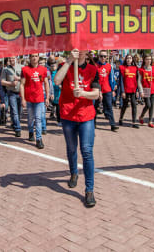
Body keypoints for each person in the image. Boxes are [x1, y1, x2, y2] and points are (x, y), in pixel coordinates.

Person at [54, 49, 100, 207]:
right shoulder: (64, 65)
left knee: (86, 151)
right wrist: (68, 62)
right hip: (68, 115)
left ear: (87, 52)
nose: (79, 52)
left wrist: (83, 94)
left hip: (86, 116)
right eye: (76, 50)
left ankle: (89, 190)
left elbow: (96, 94)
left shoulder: (93, 70)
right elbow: (56, 81)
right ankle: (73, 173)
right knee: (71, 148)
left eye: (82, 50)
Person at [20, 54, 49, 149]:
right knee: (30, 118)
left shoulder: (43, 69)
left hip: (39, 98)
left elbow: (46, 83)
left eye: (36, 56)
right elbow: (22, 84)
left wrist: (47, 97)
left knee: (38, 118)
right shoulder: (25, 69)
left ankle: (39, 139)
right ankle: (31, 132)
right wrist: (23, 98)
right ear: (29, 58)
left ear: (38, 58)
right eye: (32, 56)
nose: (34, 58)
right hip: (29, 99)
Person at [95, 50, 118, 131]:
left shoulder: (109, 66)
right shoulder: (95, 66)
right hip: (97, 90)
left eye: (105, 56)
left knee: (109, 107)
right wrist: (98, 90)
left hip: (107, 89)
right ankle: (93, 123)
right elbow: (94, 80)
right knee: (95, 106)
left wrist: (113, 89)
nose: (103, 58)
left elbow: (111, 78)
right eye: (101, 56)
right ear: (99, 56)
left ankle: (112, 124)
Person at [0, 57, 22, 137]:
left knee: (19, 112)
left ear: (16, 58)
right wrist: (10, 83)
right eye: (10, 58)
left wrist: (19, 79)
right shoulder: (5, 69)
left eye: (13, 58)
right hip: (11, 93)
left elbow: (25, 79)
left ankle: (15, 123)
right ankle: (17, 128)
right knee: (14, 110)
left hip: (20, 93)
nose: (12, 60)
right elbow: (2, 81)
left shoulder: (21, 67)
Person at [137, 54, 154, 128]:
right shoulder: (141, 70)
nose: (149, 61)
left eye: (150, 59)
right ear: (144, 60)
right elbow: (139, 81)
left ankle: (150, 121)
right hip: (145, 89)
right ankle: (142, 116)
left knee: (152, 105)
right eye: (147, 59)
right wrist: (141, 91)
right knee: (148, 104)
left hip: (153, 89)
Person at [119, 54, 139, 128]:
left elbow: (137, 80)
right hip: (126, 90)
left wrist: (137, 90)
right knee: (124, 105)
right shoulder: (122, 68)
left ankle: (134, 122)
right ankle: (121, 118)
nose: (128, 60)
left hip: (133, 90)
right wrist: (123, 91)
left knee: (134, 105)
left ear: (132, 59)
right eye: (127, 58)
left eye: (130, 58)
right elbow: (121, 81)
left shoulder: (135, 68)